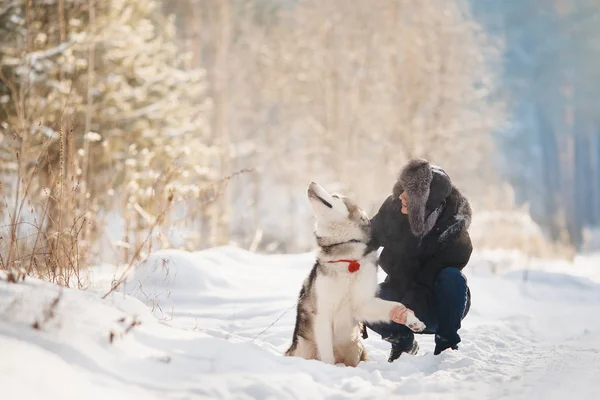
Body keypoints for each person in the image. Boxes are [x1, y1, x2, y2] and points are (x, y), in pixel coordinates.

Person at [365, 159, 473, 362]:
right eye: (404, 188)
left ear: (427, 204)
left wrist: (407, 307)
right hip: (399, 292)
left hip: (437, 306)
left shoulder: (454, 232)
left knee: (453, 278)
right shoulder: (394, 207)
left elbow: (435, 280)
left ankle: (446, 347)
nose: (402, 196)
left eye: (411, 195)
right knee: (360, 300)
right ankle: (403, 341)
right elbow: (366, 239)